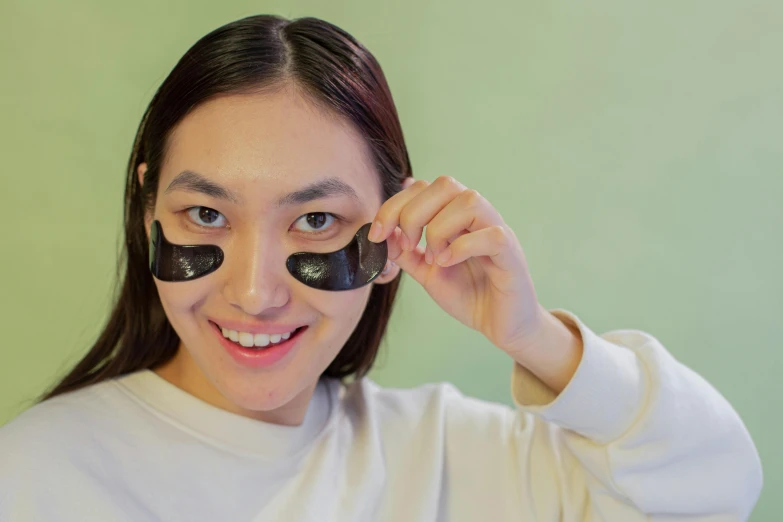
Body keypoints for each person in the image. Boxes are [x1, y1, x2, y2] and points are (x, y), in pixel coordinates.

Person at [0, 14, 762, 522]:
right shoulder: (40, 475)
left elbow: (718, 491)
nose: (254, 291)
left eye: (316, 221)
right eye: (206, 216)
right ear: (146, 212)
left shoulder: (450, 455)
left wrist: (534, 338)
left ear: (392, 232)